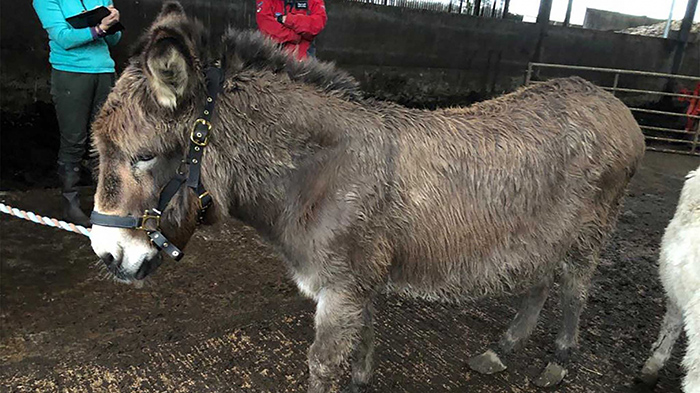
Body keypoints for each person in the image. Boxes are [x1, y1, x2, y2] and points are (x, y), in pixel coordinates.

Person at [33, 0, 122, 226]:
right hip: (71, 73)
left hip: (104, 71)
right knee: (74, 140)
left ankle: (104, 201)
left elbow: (114, 40)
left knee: (105, 140)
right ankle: (70, 204)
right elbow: (63, 38)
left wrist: (112, 24)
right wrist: (99, 28)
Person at [256, 0, 327, 60]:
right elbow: (266, 27)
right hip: (273, 60)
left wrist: (287, 20)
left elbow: (317, 24)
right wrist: (297, 35)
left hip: (305, 62)